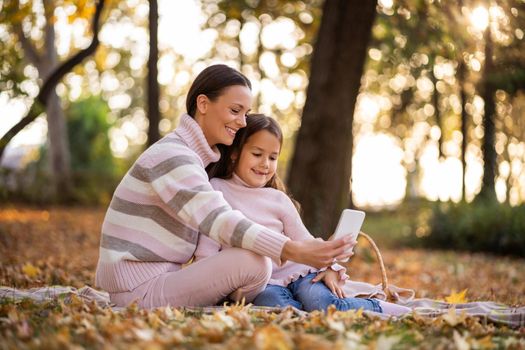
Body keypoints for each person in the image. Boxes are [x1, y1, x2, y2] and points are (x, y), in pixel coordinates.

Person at [95, 64, 354, 309]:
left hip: (151, 280)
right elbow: (219, 220)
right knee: (255, 260)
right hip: (138, 289)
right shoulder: (173, 157)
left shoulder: (189, 157)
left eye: (246, 113)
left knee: (256, 261)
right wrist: (290, 249)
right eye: (235, 110)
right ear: (203, 104)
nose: (242, 122)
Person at [197, 114, 411, 315]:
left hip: (300, 273)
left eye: (272, 157)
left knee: (325, 303)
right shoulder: (216, 189)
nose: (265, 164)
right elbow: (206, 252)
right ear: (234, 153)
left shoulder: (278, 198)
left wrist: (330, 268)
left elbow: (306, 241)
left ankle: (383, 308)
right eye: (257, 154)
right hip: (260, 283)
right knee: (283, 310)